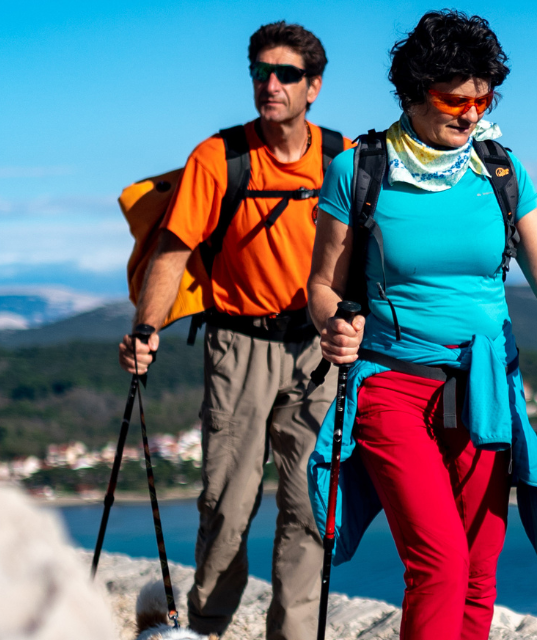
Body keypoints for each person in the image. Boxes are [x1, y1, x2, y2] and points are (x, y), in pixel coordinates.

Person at [304, 10, 537, 640]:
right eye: (454, 100)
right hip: (392, 384)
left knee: (479, 569)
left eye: (482, 100)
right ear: (413, 92)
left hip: (485, 386)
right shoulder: (361, 169)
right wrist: (334, 326)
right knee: (438, 562)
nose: (470, 114)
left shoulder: (502, 171)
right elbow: (322, 285)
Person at [118, 21, 342, 640]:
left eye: (287, 74)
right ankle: (207, 630)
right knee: (226, 505)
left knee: (310, 504)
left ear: (314, 87)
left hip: (318, 350)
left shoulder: (341, 159)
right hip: (238, 346)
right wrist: (146, 328)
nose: (271, 85)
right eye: (261, 73)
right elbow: (172, 252)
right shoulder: (219, 158)